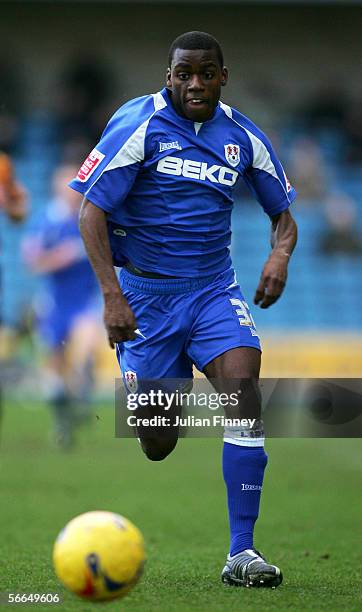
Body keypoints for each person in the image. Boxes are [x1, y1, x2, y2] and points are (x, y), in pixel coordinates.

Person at [70, 32, 297, 588]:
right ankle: (147, 388)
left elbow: (283, 217)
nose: (194, 83)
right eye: (183, 74)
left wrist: (279, 256)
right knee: (157, 440)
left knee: (244, 396)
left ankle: (241, 553)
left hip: (214, 291)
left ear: (224, 76)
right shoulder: (138, 126)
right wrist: (111, 296)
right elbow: (90, 214)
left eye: (206, 73)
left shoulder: (244, 137)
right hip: (144, 298)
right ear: (168, 77)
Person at [24, 163, 101, 448]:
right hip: (54, 303)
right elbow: (32, 262)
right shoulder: (46, 220)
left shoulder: (91, 216)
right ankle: (63, 422)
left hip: (84, 302)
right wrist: (62, 256)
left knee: (83, 353)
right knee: (54, 371)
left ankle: (82, 394)